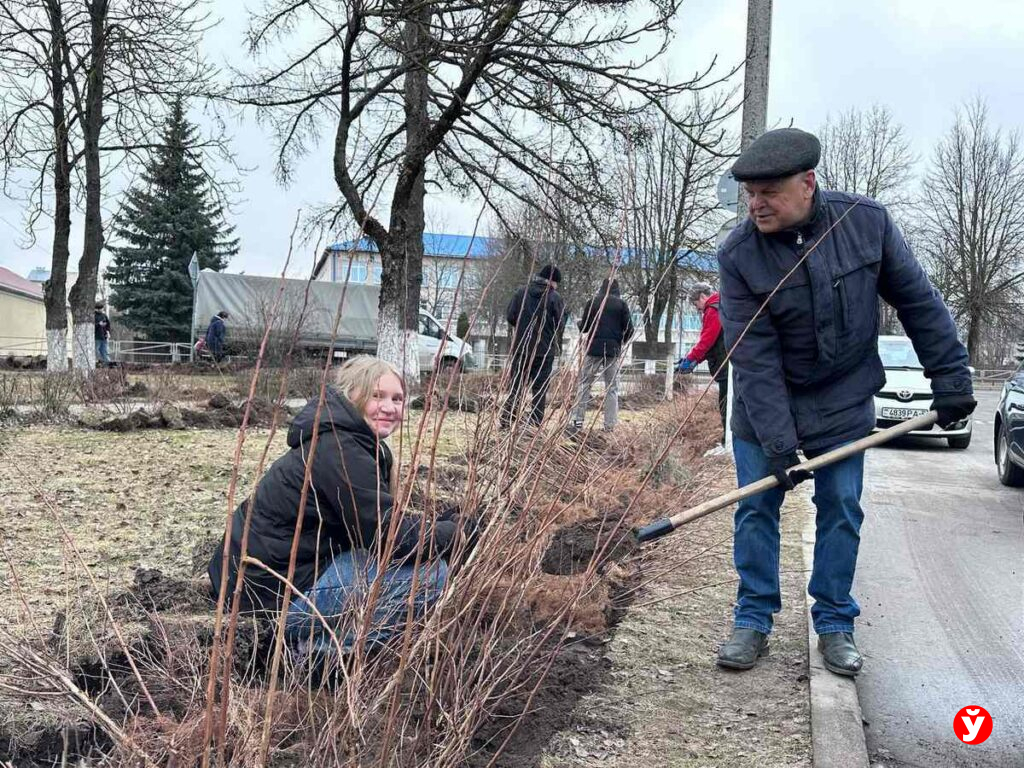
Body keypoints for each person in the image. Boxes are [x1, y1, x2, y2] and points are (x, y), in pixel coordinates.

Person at [715, 128, 976, 677]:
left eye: (769, 192)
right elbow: (754, 360)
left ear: (808, 183)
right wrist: (781, 445)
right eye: (749, 194)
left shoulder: (865, 223)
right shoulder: (739, 256)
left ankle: (834, 622)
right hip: (768, 408)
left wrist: (949, 376)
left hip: (843, 400)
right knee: (756, 509)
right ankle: (753, 618)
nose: (755, 204)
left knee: (841, 510)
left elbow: (918, 301)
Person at [208, 356, 474, 661]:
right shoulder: (339, 449)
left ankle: (324, 643)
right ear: (352, 396)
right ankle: (316, 654)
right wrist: (457, 535)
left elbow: (371, 522)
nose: (390, 407)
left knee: (391, 563)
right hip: (269, 601)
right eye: (378, 396)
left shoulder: (346, 440)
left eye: (398, 398)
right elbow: (388, 537)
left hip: (261, 585)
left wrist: (439, 525)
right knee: (431, 576)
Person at [500, 264, 565, 429]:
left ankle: (507, 419)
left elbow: (510, 316)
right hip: (544, 351)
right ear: (552, 282)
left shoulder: (521, 293)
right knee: (540, 388)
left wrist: (522, 328)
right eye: (556, 283)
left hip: (521, 348)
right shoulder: (554, 298)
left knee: (516, 385)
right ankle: (535, 422)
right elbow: (560, 324)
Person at [568, 278, 634, 436]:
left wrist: (579, 323)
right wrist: (620, 342)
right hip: (612, 351)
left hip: (593, 349)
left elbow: (584, 327)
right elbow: (629, 329)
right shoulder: (622, 305)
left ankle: (577, 420)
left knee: (584, 384)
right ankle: (609, 424)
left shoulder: (593, 302)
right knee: (612, 389)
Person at [676, 283, 729, 452]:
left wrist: (692, 358)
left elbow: (708, 339)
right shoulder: (722, 304)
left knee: (725, 403)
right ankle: (727, 441)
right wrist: (693, 359)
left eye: (695, 303)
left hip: (725, 363)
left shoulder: (712, 309)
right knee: (728, 403)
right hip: (728, 361)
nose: (697, 308)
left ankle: (727, 443)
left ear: (701, 297)